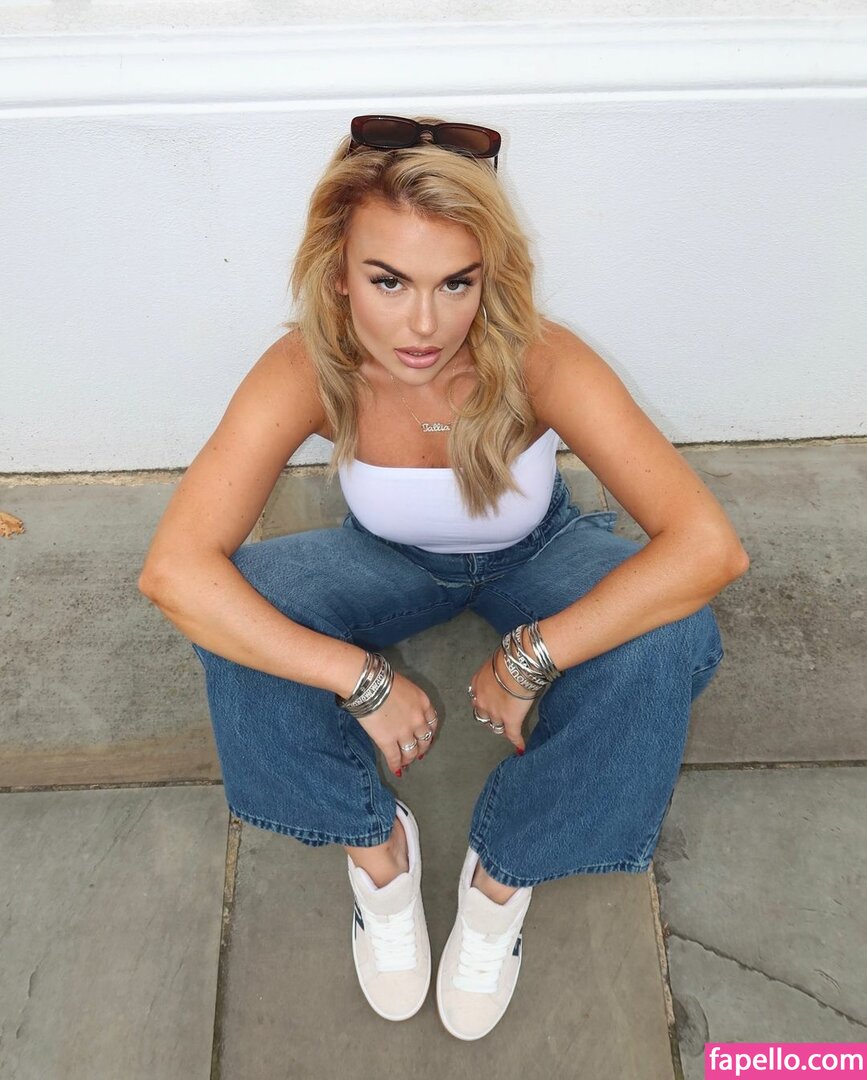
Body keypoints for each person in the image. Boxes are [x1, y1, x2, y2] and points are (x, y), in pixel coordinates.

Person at [138, 114, 749, 1041]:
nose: (423, 325)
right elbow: (174, 571)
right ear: (339, 273)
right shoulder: (308, 365)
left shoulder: (539, 357)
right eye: (388, 281)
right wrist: (360, 679)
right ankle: (376, 851)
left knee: (672, 635)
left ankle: (503, 875)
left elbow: (708, 548)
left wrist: (533, 659)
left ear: (487, 277)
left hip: (539, 554)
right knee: (231, 615)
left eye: (454, 282)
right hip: (386, 560)